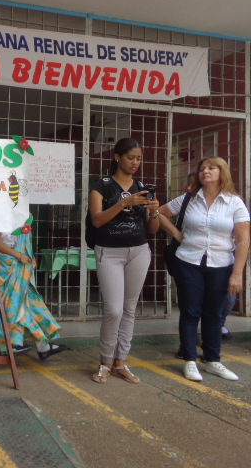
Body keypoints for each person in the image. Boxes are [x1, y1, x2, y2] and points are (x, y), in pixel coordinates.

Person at [158, 156, 249, 382]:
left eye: (211, 168)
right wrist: (177, 234)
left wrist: (237, 273)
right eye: (202, 169)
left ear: (222, 173)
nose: (204, 172)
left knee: (215, 314)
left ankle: (212, 361)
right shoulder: (189, 199)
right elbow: (159, 213)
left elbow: (243, 240)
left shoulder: (234, 203)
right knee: (190, 312)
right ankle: (190, 360)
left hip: (221, 264)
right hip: (189, 261)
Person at [89, 138, 159, 384]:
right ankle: (105, 362)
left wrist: (154, 210)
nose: (135, 163)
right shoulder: (101, 187)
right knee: (114, 310)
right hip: (109, 252)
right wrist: (123, 203)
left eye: (139, 158)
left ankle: (121, 362)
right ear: (117, 157)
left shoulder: (142, 187)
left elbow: (152, 229)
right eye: (131, 157)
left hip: (138, 251)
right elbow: (97, 220)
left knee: (129, 309)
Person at [0, 229, 64, 367]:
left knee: (24, 304)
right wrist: (20, 255)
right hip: (3, 267)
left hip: (13, 267)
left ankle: (42, 346)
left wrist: (26, 256)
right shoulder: (5, 211)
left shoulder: (16, 211)